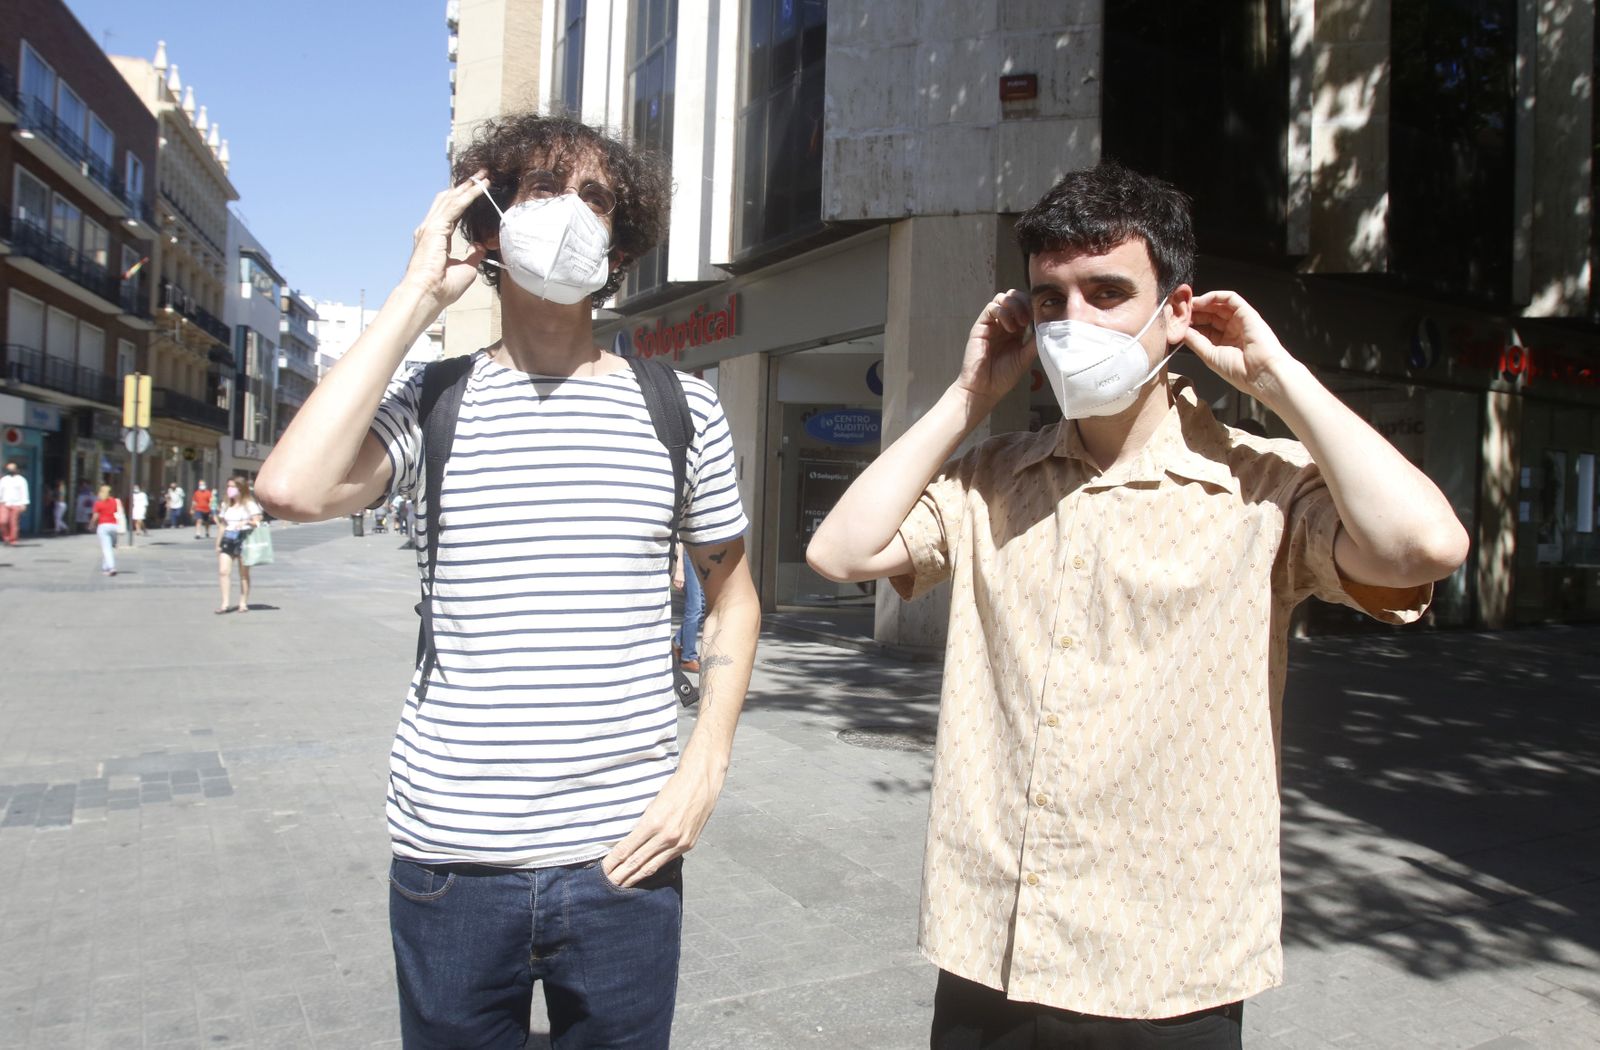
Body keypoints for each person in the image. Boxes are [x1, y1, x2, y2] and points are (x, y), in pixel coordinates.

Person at [807, 163, 1470, 1050]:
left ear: (1177, 309)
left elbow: (1425, 546)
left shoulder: (1260, 485)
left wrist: (1280, 380)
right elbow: (839, 552)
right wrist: (968, 398)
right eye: (1050, 300)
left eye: (1107, 292)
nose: (1074, 322)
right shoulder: (992, 477)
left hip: (1166, 972)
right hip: (995, 952)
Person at [255, 113, 761, 1049]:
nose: (568, 213)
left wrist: (708, 761)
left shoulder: (680, 408)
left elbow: (731, 592)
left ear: (620, 247)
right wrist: (417, 295)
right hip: (452, 862)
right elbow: (289, 487)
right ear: (489, 221)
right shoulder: (431, 403)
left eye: (596, 197)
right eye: (539, 189)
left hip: (625, 858)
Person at [214, 477, 262, 613]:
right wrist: (218, 543)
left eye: (232, 486)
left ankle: (243, 602)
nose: (229, 489)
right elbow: (223, 525)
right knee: (223, 571)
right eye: (228, 486)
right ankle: (225, 604)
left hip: (244, 539)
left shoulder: (250, 504)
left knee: (244, 574)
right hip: (228, 538)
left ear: (241, 488)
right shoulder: (226, 505)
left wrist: (246, 522)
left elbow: (258, 522)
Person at [672, 541, 705, 673]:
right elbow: (682, 538)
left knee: (704, 607)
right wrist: (680, 568)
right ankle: (688, 658)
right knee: (695, 606)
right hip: (689, 553)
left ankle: (677, 642)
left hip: (703, 553)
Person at [91, 484, 121, 576]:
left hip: (103, 527)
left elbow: (95, 516)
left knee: (106, 548)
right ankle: (105, 567)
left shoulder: (98, 503)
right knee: (108, 547)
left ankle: (111, 568)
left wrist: (91, 524)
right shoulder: (114, 501)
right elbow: (116, 511)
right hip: (113, 526)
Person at [0, 462, 28, 545]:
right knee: (2, 521)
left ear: (16, 469)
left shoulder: (21, 480)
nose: (10, 470)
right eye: (9, 469)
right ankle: (6, 536)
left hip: (16, 504)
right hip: (4, 503)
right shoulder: (4, 479)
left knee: (13, 522)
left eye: (12, 468)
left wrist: (24, 503)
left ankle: (13, 539)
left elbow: (24, 492)